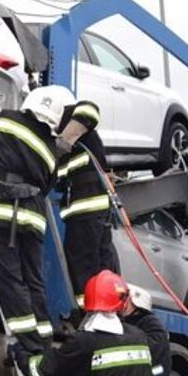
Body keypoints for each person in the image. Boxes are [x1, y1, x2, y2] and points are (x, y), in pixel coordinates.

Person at [10, 270, 167, 376]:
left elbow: (46, 372)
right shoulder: (138, 336)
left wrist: (21, 355)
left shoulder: (85, 343)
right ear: (121, 302)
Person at [0, 85, 75, 351]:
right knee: (33, 280)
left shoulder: (5, 119)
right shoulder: (52, 150)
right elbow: (47, 185)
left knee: (10, 280)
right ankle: (43, 336)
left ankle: (31, 347)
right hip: (32, 216)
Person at [56, 100, 118, 306]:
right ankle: (106, 309)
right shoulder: (76, 143)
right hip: (96, 211)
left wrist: (63, 141)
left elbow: (90, 109)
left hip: (85, 210)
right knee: (101, 266)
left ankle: (90, 312)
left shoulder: (71, 122)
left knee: (83, 265)